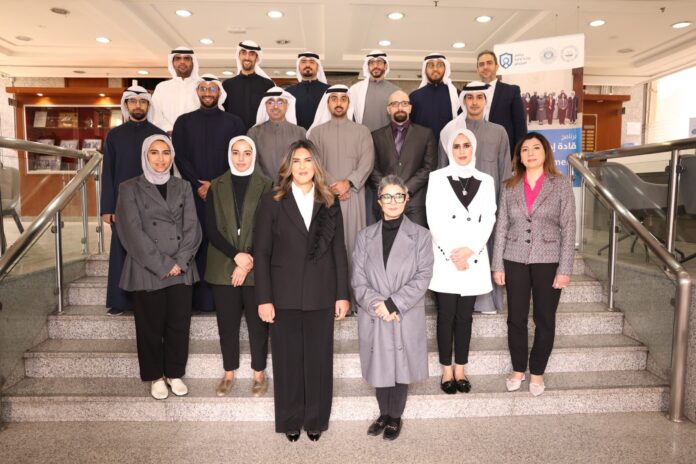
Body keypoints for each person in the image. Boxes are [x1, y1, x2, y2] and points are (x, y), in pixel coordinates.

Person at [254, 140, 350, 442]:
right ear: (288, 166)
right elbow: (262, 253)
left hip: (322, 293)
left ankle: (316, 419)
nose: (302, 166)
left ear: (316, 165)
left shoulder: (330, 201)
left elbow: (338, 250)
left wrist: (342, 294)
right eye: (296, 161)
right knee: (287, 360)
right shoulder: (272, 201)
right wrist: (264, 299)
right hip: (283, 295)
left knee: (319, 360)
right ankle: (290, 419)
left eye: (308, 160)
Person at [115, 134, 202, 400]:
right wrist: (164, 264)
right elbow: (131, 232)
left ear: (172, 156)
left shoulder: (183, 186)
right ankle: (155, 376)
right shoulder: (129, 187)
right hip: (147, 267)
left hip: (181, 266)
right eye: (154, 152)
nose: (161, 158)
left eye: (166, 152)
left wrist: (181, 261)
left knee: (178, 324)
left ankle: (174, 373)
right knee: (150, 327)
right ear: (145, 156)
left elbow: (192, 227)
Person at [491, 132, 576, 397]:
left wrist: (565, 269)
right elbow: (501, 226)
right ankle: (518, 369)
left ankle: (537, 371)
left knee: (544, 318)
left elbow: (569, 227)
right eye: (525, 149)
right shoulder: (509, 186)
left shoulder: (560, 184)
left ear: (546, 152)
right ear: (519, 156)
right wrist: (497, 264)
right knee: (515, 318)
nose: (530, 153)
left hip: (548, 259)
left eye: (536, 148)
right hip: (514, 257)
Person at [352, 175, 433, 441]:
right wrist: (377, 304)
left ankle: (395, 415)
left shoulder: (421, 236)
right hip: (375, 311)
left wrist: (393, 303)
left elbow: (423, 276)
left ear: (406, 199)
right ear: (379, 201)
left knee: (400, 363)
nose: (393, 201)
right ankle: (383, 413)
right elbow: (358, 278)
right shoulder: (365, 236)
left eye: (398, 196)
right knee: (380, 362)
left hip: (402, 311)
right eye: (387, 196)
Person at [425, 129, 496, 395]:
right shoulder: (437, 177)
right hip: (446, 259)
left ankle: (460, 369)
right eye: (456, 146)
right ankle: (446, 370)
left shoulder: (486, 180)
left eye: (466, 145)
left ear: (473, 148)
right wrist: (453, 254)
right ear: (449, 149)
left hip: (473, 258)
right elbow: (433, 218)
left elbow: (489, 218)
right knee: (446, 316)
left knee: (465, 317)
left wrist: (471, 250)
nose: (462, 150)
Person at [205, 136, 272, 397]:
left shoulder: (266, 185)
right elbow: (211, 228)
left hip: (256, 265)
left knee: (258, 325)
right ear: (229, 155)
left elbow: (268, 228)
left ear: (253, 155)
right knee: (227, 324)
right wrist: (236, 256)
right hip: (223, 264)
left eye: (246, 153)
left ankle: (259, 373)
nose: (241, 158)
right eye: (236, 152)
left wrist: (247, 261)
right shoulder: (216, 185)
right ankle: (228, 373)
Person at [173, 74, 245, 312]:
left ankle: (221, 298)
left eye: (212, 89)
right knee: (195, 240)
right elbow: (180, 157)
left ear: (219, 93)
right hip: (191, 194)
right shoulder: (183, 122)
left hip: (225, 192)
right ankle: (196, 299)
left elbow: (239, 157)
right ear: (197, 92)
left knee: (222, 240)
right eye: (203, 88)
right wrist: (198, 184)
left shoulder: (234, 123)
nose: (207, 93)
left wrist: (214, 184)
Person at [439, 81, 512, 314]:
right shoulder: (451, 131)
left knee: (487, 248)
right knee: (460, 249)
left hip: (489, 205)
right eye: (469, 98)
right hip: (458, 207)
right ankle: (461, 300)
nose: (474, 102)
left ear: (485, 101)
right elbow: (442, 170)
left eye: (479, 97)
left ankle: (487, 301)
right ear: (463, 101)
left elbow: (505, 171)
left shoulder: (499, 132)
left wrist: (504, 205)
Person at [101, 85, 166, 316]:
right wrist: (107, 207)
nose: (138, 106)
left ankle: (147, 299)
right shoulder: (114, 136)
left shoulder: (158, 135)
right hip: (122, 204)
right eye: (133, 101)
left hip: (151, 202)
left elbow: (165, 170)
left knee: (149, 248)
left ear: (148, 105)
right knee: (121, 250)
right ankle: (119, 301)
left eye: (142, 102)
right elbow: (108, 172)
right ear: (126, 105)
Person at [308, 85, 374, 271]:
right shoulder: (316, 133)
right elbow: (315, 163)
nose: (339, 103)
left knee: (354, 245)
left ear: (349, 103)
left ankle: (353, 289)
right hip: (325, 196)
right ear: (327, 103)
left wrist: (348, 183)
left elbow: (367, 162)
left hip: (354, 195)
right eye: (334, 99)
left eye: (343, 99)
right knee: (325, 242)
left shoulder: (362, 131)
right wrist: (335, 186)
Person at [370, 90, 437, 227]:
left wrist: (406, 189)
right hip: (386, 203)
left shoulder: (425, 134)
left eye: (404, 103)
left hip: (415, 204)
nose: (400, 107)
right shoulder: (375, 136)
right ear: (388, 109)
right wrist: (388, 190)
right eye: (395, 104)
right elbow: (372, 168)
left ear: (410, 108)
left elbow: (429, 167)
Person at [350, 50, 401, 226]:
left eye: (380, 62)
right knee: (365, 195)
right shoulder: (355, 91)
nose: (376, 65)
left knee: (387, 189)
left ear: (386, 65)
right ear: (367, 66)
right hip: (362, 149)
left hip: (388, 150)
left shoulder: (396, 91)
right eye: (372, 62)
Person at [247, 86, 306, 180]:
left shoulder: (300, 132)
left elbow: (304, 162)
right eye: (270, 102)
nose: (275, 107)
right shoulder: (254, 133)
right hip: (263, 186)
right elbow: (253, 162)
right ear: (265, 106)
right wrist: (267, 184)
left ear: (287, 106)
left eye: (280, 102)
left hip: (293, 184)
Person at [476, 50, 527, 155]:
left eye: (489, 63)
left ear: (496, 66)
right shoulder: (470, 94)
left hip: (504, 153)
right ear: (477, 70)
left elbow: (520, 126)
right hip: (477, 153)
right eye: (481, 64)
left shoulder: (511, 91)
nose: (485, 67)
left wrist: (518, 155)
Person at [222, 40, 275, 131]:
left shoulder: (268, 85)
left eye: (251, 54)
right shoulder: (227, 85)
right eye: (243, 53)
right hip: (234, 134)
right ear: (239, 55)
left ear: (256, 57)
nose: (247, 57)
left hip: (260, 134)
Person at [409, 53, 459, 147]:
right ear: (425, 69)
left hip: (448, 149)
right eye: (431, 65)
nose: (435, 69)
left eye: (439, 65)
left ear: (445, 69)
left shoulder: (456, 95)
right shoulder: (414, 96)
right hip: (422, 150)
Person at [152, 47, 200, 133]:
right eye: (178, 58)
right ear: (172, 62)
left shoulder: (202, 86)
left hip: (197, 136)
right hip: (168, 137)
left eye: (186, 58)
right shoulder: (162, 87)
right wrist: (169, 129)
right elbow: (155, 112)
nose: (182, 62)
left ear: (193, 62)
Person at [285, 51, 330, 130]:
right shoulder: (289, 92)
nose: (307, 65)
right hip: (296, 135)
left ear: (318, 67)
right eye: (303, 62)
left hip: (322, 135)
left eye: (312, 62)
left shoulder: (328, 91)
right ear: (298, 67)